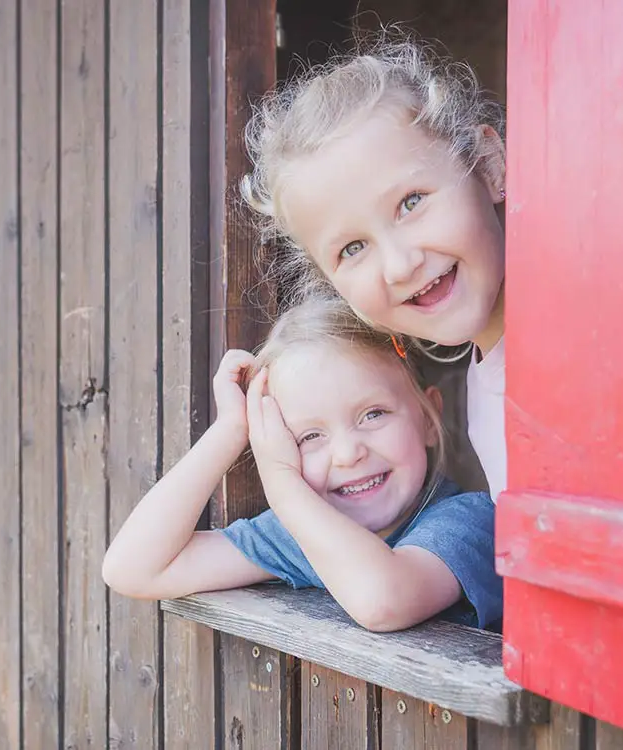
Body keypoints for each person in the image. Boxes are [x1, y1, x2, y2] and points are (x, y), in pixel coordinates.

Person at [101, 296, 502, 632]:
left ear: (428, 415)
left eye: (373, 414)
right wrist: (229, 431)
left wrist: (282, 482)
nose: (348, 454)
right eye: (310, 437)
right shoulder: (297, 537)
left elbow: (382, 599)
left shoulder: (470, 521)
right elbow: (133, 569)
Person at [239, 33, 510, 501]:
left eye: (411, 203)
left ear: (487, 166)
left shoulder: (590, 331)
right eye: (352, 249)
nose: (401, 265)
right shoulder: (484, 382)